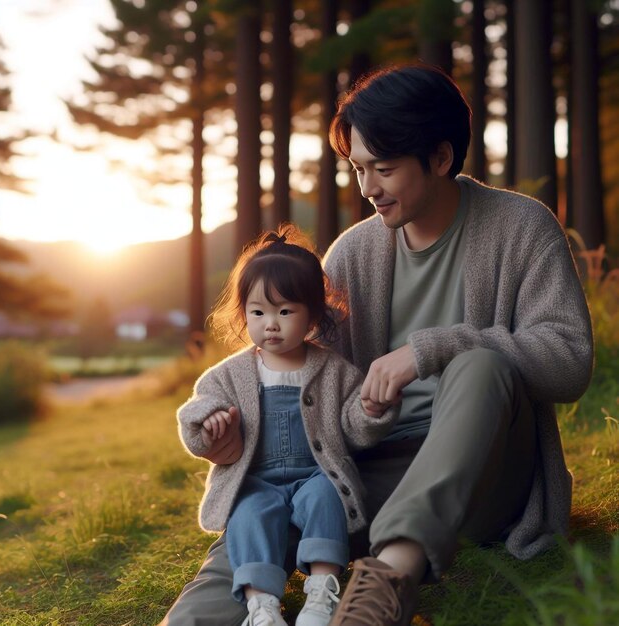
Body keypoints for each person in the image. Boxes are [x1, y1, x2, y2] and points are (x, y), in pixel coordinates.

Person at [159, 63, 593, 626]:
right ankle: (196, 619)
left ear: (439, 158)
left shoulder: (521, 227)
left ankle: (386, 583)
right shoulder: (350, 255)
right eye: (358, 169)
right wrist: (237, 438)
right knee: (276, 497)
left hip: (485, 473)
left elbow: (570, 361)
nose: (368, 189)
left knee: (480, 365)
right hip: (372, 468)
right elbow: (303, 377)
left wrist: (432, 349)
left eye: (383, 169)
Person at [174, 225, 399, 626]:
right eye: (258, 311)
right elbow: (196, 415)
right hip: (256, 478)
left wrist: (372, 409)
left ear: (313, 314)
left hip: (316, 471)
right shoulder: (228, 375)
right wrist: (207, 423)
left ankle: (321, 592)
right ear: (243, 313)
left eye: (285, 311)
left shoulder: (334, 371)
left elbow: (353, 428)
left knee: (326, 499)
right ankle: (261, 605)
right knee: (249, 515)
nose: (271, 324)